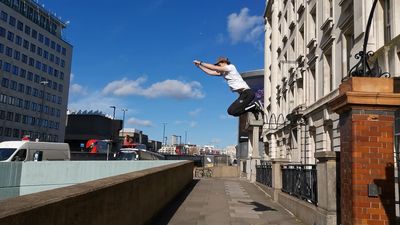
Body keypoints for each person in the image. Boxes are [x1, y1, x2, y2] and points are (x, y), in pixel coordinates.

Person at [193, 56, 263, 117]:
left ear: (223, 62)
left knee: (233, 111)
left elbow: (213, 68)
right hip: (243, 95)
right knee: (231, 111)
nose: (218, 66)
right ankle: (252, 108)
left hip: (247, 93)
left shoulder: (230, 67)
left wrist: (201, 62)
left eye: (219, 64)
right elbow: (210, 72)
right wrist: (199, 66)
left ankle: (254, 106)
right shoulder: (224, 72)